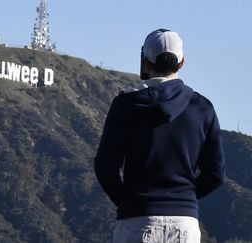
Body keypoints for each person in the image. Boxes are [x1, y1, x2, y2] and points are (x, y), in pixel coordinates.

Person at [94, 29, 225, 242]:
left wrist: (128, 201)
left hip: (137, 222)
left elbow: (105, 166)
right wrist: (184, 199)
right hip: (185, 225)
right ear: (182, 62)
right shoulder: (202, 108)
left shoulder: (126, 105)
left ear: (146, 61)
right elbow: (216, 173)